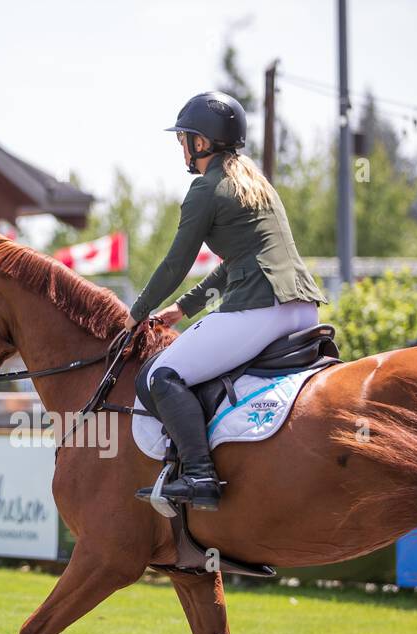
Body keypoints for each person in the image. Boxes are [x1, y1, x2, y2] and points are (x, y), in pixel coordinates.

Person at [124, 91, 326, 510]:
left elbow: (174, 264)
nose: (181, 148)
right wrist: (183, 308)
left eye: (183, 139)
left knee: (160, 375)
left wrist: (136, 312)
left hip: (261, 308)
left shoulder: (206, 188)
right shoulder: (256, 185)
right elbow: (234, 263)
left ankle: (199, 475)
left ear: (201, 143)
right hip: (303, 308)